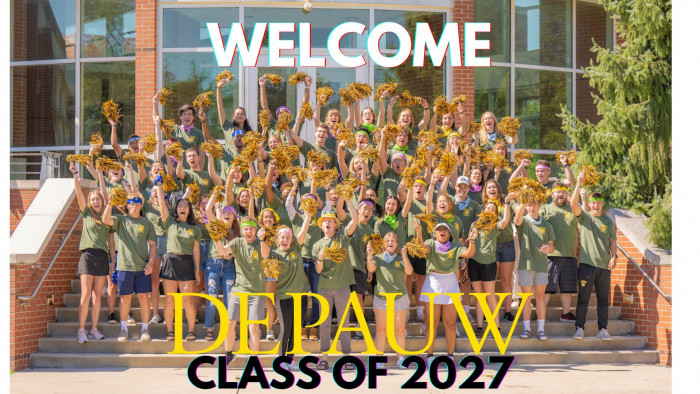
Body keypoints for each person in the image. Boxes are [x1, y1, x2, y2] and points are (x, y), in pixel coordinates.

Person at [417, 222, 477, 366]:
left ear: (449, 234)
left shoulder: (456, 246)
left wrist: (473, 241)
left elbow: (469, 253)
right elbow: (422, 249)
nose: (442, 232)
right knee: (432, 323)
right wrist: (419, 233)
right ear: (434, 234)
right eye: (439, 230)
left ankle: (450, 356)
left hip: (450, 282)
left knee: (450, 323)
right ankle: (430, 355)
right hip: (433, 282)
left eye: (444, 230)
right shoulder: (430, 243)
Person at [260, 212, 313, 371]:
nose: (284, 240)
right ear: (277, 240)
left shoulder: (296, 248)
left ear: (291, 239)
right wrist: (262, 239)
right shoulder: (274, 254)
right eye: (281, 238)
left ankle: (290, 360)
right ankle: (281, 359)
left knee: (297, 329)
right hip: (284, 298)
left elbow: (303, 232)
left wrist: (308, 217)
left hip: (301, 296)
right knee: (286, 329)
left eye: (287, 237)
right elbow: (264, 254)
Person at [102, 192, 156, 342]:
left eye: (137, 204)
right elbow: (105, 219)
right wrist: (109, 203)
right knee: (125, 299)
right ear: (127, 205)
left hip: (142, 267)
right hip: (124, 266)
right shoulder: (121, 220)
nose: (134, 206)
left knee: (144, 298)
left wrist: (151, 262)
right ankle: (123, 329)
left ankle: (145, 329)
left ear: (141, 205)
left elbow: (152, 245)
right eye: (131, 204)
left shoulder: (147, 223)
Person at [312, 201, 359, 371]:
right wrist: (320, 258)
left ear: (335, 225)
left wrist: (348, 200)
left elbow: (355, 219)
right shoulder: (317, 245)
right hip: (324, 288)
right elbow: (318, 270)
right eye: (325, 221)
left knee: (343, 322)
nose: (327, 223)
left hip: (342, 287)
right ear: (322, 225)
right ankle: (324, 357)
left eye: (330, 221)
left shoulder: (342, 237)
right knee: (324, 323)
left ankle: (346, 357)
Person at [571, 173, 617, 341]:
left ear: (602, 204)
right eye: (593, 202)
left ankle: (603, 329)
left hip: (604, 266)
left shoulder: (608, 221)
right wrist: (578, 184)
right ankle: (579, 328)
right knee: (583, 299)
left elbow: (613, 241)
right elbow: (573, 204)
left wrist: (615, 256)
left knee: (603, 300)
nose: (596, 205)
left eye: (598, 202)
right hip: (586, 265)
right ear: (589, 204)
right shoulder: (585, 218)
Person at [213, 217, 266, 366]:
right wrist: (217, 238)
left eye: (251, 228)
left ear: (255, 230)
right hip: (238, 290)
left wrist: (263, 240)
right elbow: (222, 252)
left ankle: (254, 360)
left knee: (253, 327)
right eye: (246, 229)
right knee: (230, 323)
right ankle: (228, 354)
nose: (249, 231)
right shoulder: (237, 242)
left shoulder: (261, 242)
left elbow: (266, 255)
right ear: (241, 231)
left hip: (257, 291)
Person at [154, 184, 201, 341]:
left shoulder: (195, 228)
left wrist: (196, 270)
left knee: (188, 300)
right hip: (170, 262)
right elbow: (161, 204)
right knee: (170, 299)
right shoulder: (170, 223)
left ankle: (191, 331)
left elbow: (196, 250)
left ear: (189, 210)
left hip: (187, 263)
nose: (182, 208)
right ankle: (169, 331)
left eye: (185, 206)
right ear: (176, 209)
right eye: (180, 205)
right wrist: (159, 187)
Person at [70, 162, 109, 343]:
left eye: (98, 199)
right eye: (93, 199)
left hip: (102, 257)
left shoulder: (108, 217)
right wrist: (75, 174)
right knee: (85, 294)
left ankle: (93, 328)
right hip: (87, 255)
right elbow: (79, 193)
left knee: (97, 295)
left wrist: (100, 175)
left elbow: (111, 240)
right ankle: (81, 330)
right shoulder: (86, 213)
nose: (95, 201)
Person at [366, 232, 413, 369]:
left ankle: (401, 358)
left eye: (393, 241)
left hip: (400, 298)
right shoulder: (378, 258)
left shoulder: (400, 258)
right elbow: (371, 268)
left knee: (399, 330)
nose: (390, 243)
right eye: (388, 241)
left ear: (397, 244)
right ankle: (379, 360)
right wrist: (369, 255)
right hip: (382, 298)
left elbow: (409, 272)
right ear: (383, 244)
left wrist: (404, 257)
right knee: (381, 330)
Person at [468, 196, 514, 337]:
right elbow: (470, 244)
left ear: (495, 214)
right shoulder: (475, 224)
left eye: (493, 210)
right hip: (474, 263)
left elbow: (506, 220)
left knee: (490, 295)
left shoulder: (495, 225)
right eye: (488, 208)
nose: (490, 211)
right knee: (479, 296)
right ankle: (480, 326)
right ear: (483, 210)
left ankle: (496, 326)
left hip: (489, 263)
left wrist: (506, 202)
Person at [514, 201, 555, 340]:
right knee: (526, 298)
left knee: (540, 297)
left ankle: (541, 330)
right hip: (526, 264)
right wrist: (522, 200)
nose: (532, 207)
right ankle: (526, 329)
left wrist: (548, 249)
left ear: (539, 206)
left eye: (534, 205)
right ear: (526, 206)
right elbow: (517, 219)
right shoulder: (524, 221)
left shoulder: (547, 225)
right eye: (529, 205)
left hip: (541, 265)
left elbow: (552, 246)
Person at [540, 182, 579, 322]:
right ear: (552, 194)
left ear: (567, 194)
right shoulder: (545, 209)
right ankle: (540, 315)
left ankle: (566, 314)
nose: (561, 194)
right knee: (547, 288)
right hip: (550, 256)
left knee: (567, 288)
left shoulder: (573, 209)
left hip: (569, 255)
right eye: (558, 192)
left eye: (563, 192)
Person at [203, 190, 239, 341]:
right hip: (214, 264)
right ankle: (209, 329)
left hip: (230, 266)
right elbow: (207, 210)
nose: (226, 214)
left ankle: (228, 330)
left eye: (230, 213)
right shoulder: (216, 225)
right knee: (212, 297)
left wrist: (230, 255)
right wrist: (215, 194)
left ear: (234, 218)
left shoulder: (237, 232)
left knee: (230, 299)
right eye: (224, 212)